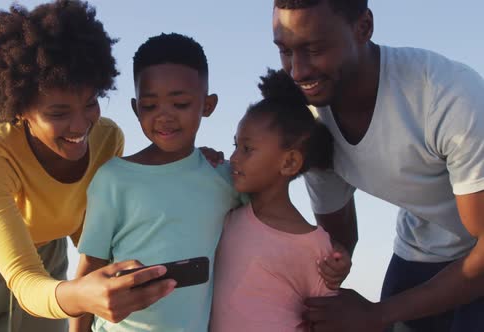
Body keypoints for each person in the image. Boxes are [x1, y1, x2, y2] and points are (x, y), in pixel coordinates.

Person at [0, 2, 174, 331]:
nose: (80, 125)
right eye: (58, 113)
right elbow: (21, 277)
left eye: (90, 103)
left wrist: (184, 156)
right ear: (19, 111)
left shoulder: (107, 139)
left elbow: (88, 230)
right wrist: (80, 296)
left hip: (47, 260)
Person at [271, 0, 484, 331]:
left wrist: (376, 314)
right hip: (422, 247)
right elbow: (340, 240)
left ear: (364, 27)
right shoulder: (311, 121)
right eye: (285, 51)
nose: (298, 70)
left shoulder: (450, 97)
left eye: (314, 48)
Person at [69, 32, 245, 332]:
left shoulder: (226, 178)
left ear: (208, 104)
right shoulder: (114, 178)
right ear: (137, 109)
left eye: (180, 104)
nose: (164, 117)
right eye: (151, 106)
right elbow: (90, 269)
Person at [210, 69, 338, 332]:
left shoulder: (316, 248)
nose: (234, 157)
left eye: (247, 149)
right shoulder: (227, 214)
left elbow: (327, 318)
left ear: (289, 162)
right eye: (235, 145)